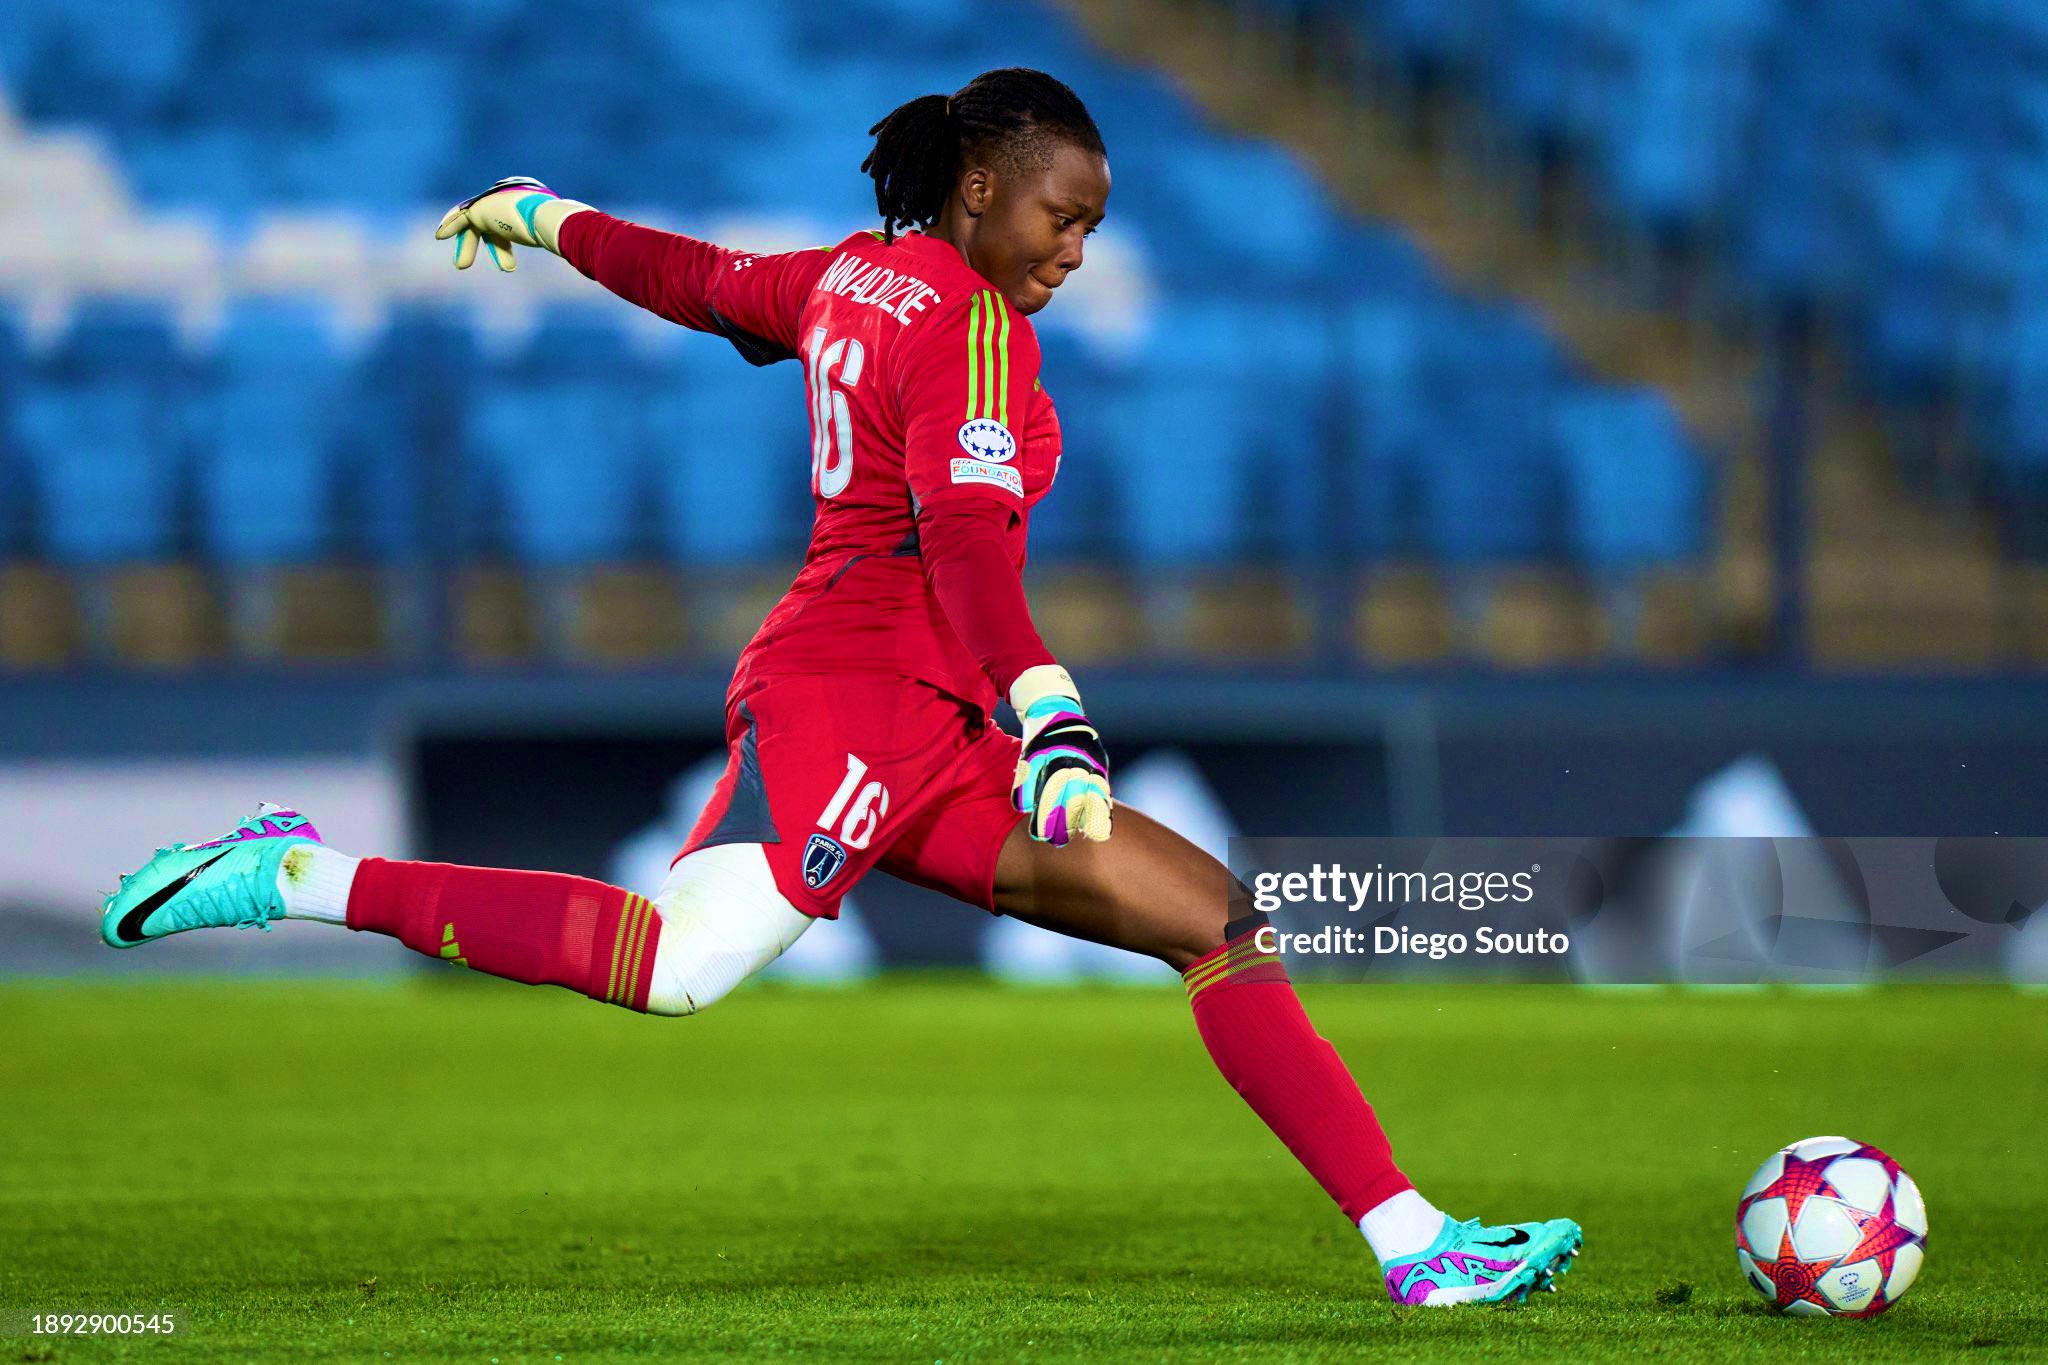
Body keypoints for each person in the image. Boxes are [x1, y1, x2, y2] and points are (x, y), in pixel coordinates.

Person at [100, 67, 1578, 1307]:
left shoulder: (854, 277)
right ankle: (289, 871)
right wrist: (1056, 713)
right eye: (1063, 218)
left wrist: (543, 216)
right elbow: (969, 555)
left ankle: (1415, 1243)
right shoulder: (973, 327)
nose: (1075, 251)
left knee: (1214, 919)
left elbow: (696, 281)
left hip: (927, 720)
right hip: (853, 696)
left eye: (1096, 229)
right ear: (984, 189)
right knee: (672, 967)